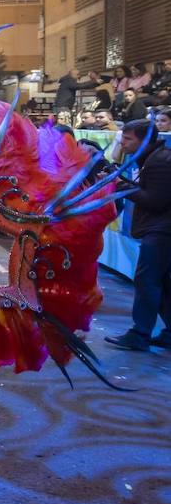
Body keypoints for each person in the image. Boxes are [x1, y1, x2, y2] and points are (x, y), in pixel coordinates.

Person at [103, 119, 171, 351]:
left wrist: (121, 187)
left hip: (162, 230)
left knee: (147, 280)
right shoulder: (154, 158)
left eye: (128, 139)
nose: (122, 143)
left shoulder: (160, 161)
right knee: (160, 282)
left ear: (144, 141)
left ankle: (140, 333)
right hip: (159, 229)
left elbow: (155, 201)